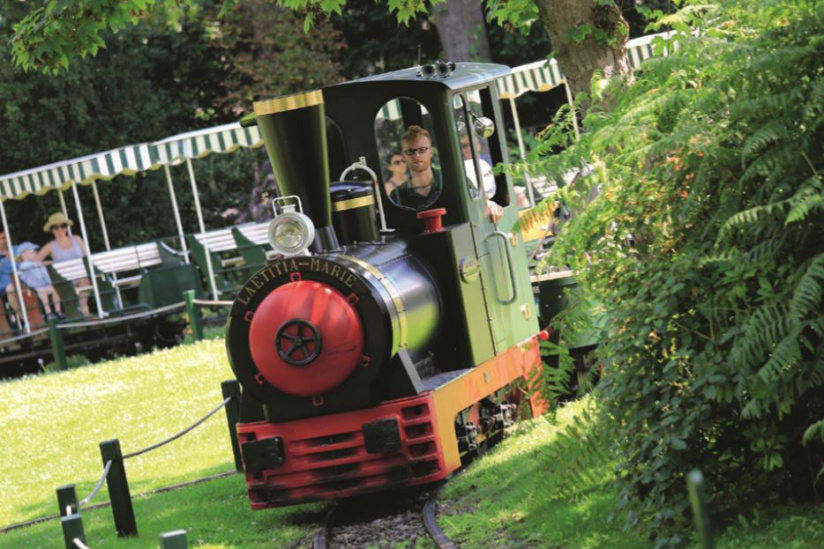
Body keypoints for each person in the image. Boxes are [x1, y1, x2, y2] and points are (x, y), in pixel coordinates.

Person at [37, 213, 91, 317]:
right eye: (56, 227)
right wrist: (48, 263)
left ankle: (81, 310)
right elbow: (35, 261)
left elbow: (87, 256)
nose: (60, 229)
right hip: (64, 279)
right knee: (80, 281)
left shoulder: (77, 239)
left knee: (85, 279)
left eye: (63, 226)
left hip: (81, 275)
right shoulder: (50, 246)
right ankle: (83, 312)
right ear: (52, 230)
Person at [390, 126, 442, 210]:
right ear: (403, 156)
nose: (416, 155)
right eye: (410, 151)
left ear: (431, 152)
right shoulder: (397, 197)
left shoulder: (451, 180)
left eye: (422, 149)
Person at [459, 134, 503, 223]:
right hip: (477, 207)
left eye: (473, 143)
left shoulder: (489, 160)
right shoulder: (460, 168)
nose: (470, 148)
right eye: (465, 146)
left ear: (478, 145)